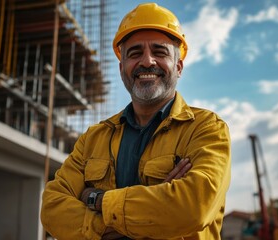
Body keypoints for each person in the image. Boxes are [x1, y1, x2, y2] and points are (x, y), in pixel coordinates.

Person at [41, 3, 231, 240]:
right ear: (122, 68)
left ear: (179, 66)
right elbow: (51, 208)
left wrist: (96, 199)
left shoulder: (206, 129)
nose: (147, 61)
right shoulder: (93, 138)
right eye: (135, 53)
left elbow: (193, 208)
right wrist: (156, 207)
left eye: (160, 52)